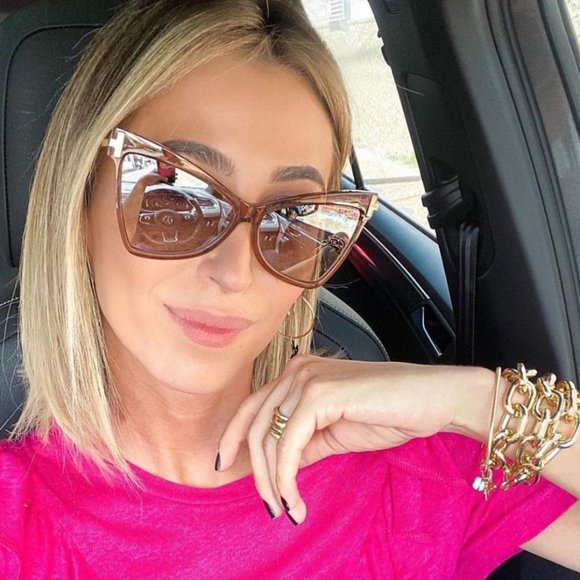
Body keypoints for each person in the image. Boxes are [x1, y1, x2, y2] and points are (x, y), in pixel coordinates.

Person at [0, 0, 578, 577]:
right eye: (178, 198)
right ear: (80, 204)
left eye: (292, 215)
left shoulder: (413, 465)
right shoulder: (16, 521)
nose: (237, 273)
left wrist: (476, 402)